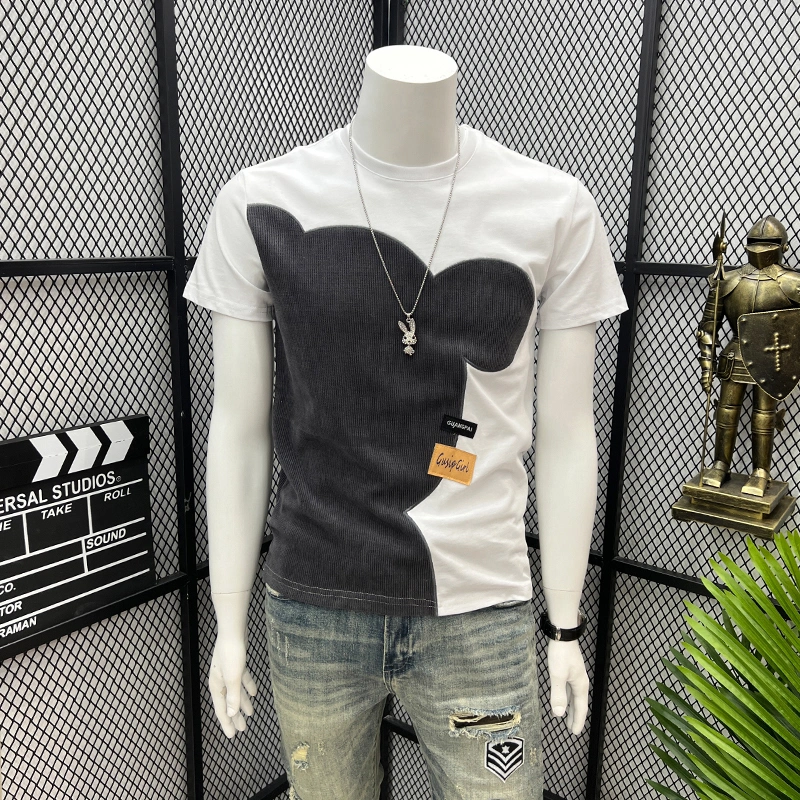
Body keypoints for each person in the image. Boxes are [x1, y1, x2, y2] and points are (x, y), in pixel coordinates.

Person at [184, 44, 628, 800]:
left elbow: (567, 433)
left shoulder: (552, 209)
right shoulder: (259, 202)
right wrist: (228, 622)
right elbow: (237, 428)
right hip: (315, 605)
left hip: (478, 611)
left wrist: (564, 623)